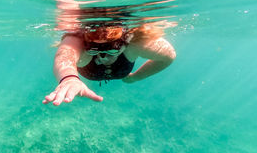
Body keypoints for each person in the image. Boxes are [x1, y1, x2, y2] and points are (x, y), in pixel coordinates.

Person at [43, 24, 176, 106]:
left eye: (112, 47)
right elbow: (65, 55)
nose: (103, 55)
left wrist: (136, 77)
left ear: (126, 40)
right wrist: (69, 78)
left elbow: (168, 57)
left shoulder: (135, 42)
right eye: (94, 48)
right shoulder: (78, 40)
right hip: (94, 67)